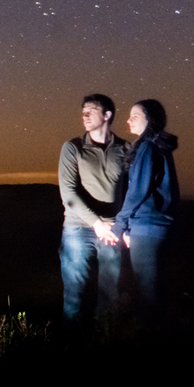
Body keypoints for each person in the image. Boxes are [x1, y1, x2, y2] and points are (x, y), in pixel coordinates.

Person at [59, 94, 129, 327]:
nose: (85, 116)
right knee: (74, 294)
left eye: (91, 111)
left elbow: (130, 191)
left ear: (107, 115)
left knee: (111, 293)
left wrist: (125, 226)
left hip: (113, 229)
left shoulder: (125, 149)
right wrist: (97, 223)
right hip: (78, 228)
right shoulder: (74, 147)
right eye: (83, 112)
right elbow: (68, 193)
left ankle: (104, 339)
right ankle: (71, 340)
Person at [114, 99, 179, 321]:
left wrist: (119, 226)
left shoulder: (148, 147)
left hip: (147, 228)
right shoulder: (157, 147)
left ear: (149, 119)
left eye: (135, 116)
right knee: (154, 289)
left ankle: (152, 335)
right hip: (155, 228)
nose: (128, 120)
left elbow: (137, 191)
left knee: (147, 294)